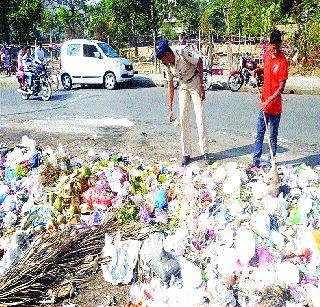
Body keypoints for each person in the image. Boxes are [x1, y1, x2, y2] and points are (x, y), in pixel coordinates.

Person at [156, 40, 211, 166]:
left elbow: (200, 62)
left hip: (195, 82)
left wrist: (202, 86)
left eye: (164, 57)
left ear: (169, 52)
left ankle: (206, 152)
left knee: (200, 118)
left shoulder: (183, 52)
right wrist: (170, 109)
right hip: (183, 85)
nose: (165, 61)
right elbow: (170, 86)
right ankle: (186, 153)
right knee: (183, 119)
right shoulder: (167, 65)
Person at [252, 30, 289, 168]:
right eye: (272, 46)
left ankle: (269, 163)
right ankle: (255, 161)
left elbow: (281, 88)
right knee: (259, 134)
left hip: (274, 107)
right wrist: (258, 70)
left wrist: (268, 101)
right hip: (264, 104)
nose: (274, 49)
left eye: (276, 46)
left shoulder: (283, 61)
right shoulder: (267, 55)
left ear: (280, 44)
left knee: (272, 137)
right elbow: (265, 69)